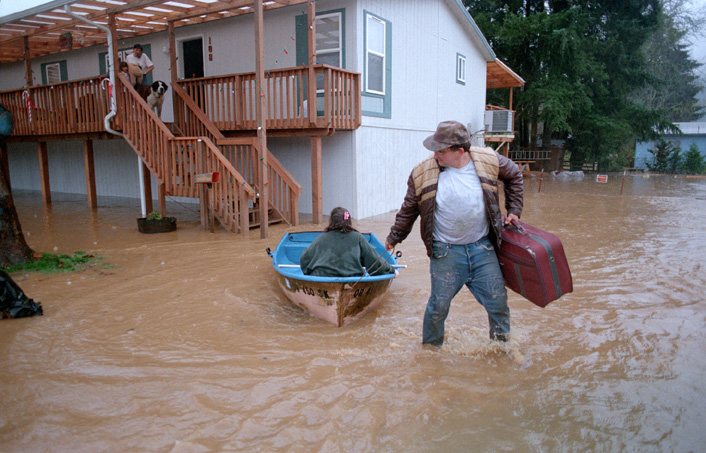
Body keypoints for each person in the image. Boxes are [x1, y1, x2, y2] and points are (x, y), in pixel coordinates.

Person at [385, 120, 523, 345]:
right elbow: (409, 209)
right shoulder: (422, 172)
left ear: (460, 151)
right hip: (445, 252)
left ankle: (502, 350)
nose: (435, 155)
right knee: (438, 307)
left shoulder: (488, 160)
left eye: (440, 150)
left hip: (482, 247)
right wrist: (394, 237)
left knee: (498, 303)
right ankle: (431, 353)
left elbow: (515, 175)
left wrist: (514, 210)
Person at [300, 207, 398, 278]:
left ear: (331, 221)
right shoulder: (358, 238)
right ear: (349, 221)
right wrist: (391, 270)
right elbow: (374, 262)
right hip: (352, 277)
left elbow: (304, 260)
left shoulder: (321, 238)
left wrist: (308, 273)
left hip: (322, 277)